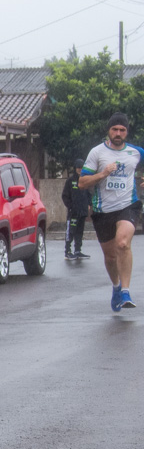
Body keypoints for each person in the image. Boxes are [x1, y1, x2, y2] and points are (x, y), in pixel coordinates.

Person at [79, 112, 144, 311]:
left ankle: (125, 291)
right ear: (109, 130)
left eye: (122, 130)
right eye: (114, 129)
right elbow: (82, 183)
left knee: (123, 243)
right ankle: (116, 287)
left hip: (128, 205)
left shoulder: (136, 152)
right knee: (110, 257)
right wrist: (103, 173)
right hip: (103, 210)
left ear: (127, 132)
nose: (118, 133)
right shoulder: (97, 153)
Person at [62, 158, 91, 260]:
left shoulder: (85, 180)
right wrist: (71, 207)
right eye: (78, 167)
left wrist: (89, 204)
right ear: (75, 168)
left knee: (79, 232)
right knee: (71, 231)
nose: (80, 169)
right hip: (73, 213)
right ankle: (67, 252)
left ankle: (78, 251)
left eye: (81, 168)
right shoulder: (70, 181)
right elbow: (65, 196)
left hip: (82, 212)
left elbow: (88, 194)